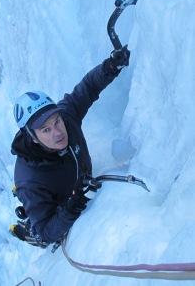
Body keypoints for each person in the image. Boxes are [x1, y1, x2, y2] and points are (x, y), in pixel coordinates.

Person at [10, 45, 130, 247]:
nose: (57, 133)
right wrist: (72, 206)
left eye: (56, 122)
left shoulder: (67, 117)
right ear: (33, 137)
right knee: (40, 231)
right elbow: (48, 231)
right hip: (61, 205)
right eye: (45, 130)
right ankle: (29, 226)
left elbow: (88, 88)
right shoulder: (31, 179)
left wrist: (110, 66)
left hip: (79, 182)